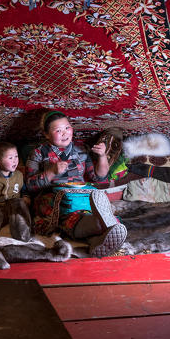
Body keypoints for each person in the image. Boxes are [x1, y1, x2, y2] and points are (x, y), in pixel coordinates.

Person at [25, 110, 127, 257]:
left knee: (90, 206)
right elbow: (29, 185)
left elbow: (98, 178)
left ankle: (97, 239)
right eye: (58, 130)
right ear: (47, 134)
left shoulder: (81, 150)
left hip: (81, 193)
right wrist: (52, 172)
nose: (64, 133)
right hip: (54, 196)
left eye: (67, 128)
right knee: (71, 213)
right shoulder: (38, 153)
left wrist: (102, 156)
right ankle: (102, 225)